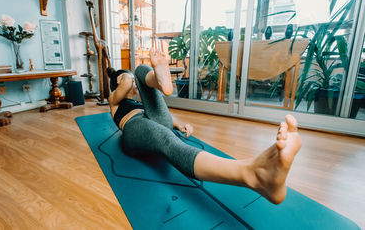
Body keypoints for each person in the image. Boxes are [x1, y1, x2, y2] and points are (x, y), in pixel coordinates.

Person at [107, 48, 302, 205]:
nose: (132, 86)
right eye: (127, 82)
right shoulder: (114, 101)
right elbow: (122, 88)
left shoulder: (139, 101)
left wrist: (180, 124)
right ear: (117, 84)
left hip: (150, 118)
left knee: (141, 70)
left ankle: (161, 81)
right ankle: (251, 173)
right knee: (166, 139)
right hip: (134, 129)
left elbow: (162, 115)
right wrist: (125, 77)